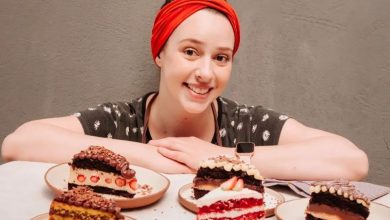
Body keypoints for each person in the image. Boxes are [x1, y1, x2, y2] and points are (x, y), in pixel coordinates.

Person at [1, 0, 368, 180]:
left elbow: (352, 161)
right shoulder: (121, 121)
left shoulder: (244, 125)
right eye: (190, 52)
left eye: (221, 57)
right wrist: (152, 158)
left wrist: (216, 158)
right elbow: (17, 144)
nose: (206, 73)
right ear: (159, 53)